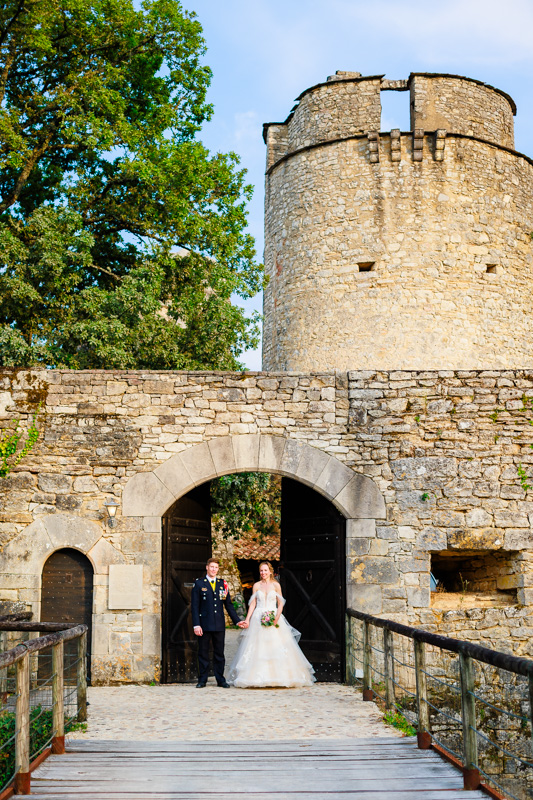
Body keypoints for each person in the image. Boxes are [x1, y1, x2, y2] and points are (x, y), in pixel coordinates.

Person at [227, 561, 316, 688]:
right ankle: (256, 677)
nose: (263, 573)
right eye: (261, 571)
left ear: (270, 571)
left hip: (274, 615)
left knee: (277, 645)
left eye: (265, 570)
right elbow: (252, 604)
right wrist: (247, 619)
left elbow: (281, 603)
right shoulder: (256, 585)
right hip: (258, 617)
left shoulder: (276, 585)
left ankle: (280, 676)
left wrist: (276, 617)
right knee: (258, 646)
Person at [191, 557, 246, 688]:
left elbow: (228, 605)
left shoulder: (222, 584)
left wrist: (237, 621)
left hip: (219, 624)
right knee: (203, 652)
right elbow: (194, 606)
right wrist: (196, 624)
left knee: (219, 653)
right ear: (207, 567)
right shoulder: (199, 584)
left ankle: (220, 679)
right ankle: (202, 680)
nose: (214, 569)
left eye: (216, 567)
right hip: (204, 625)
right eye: (212, 567)